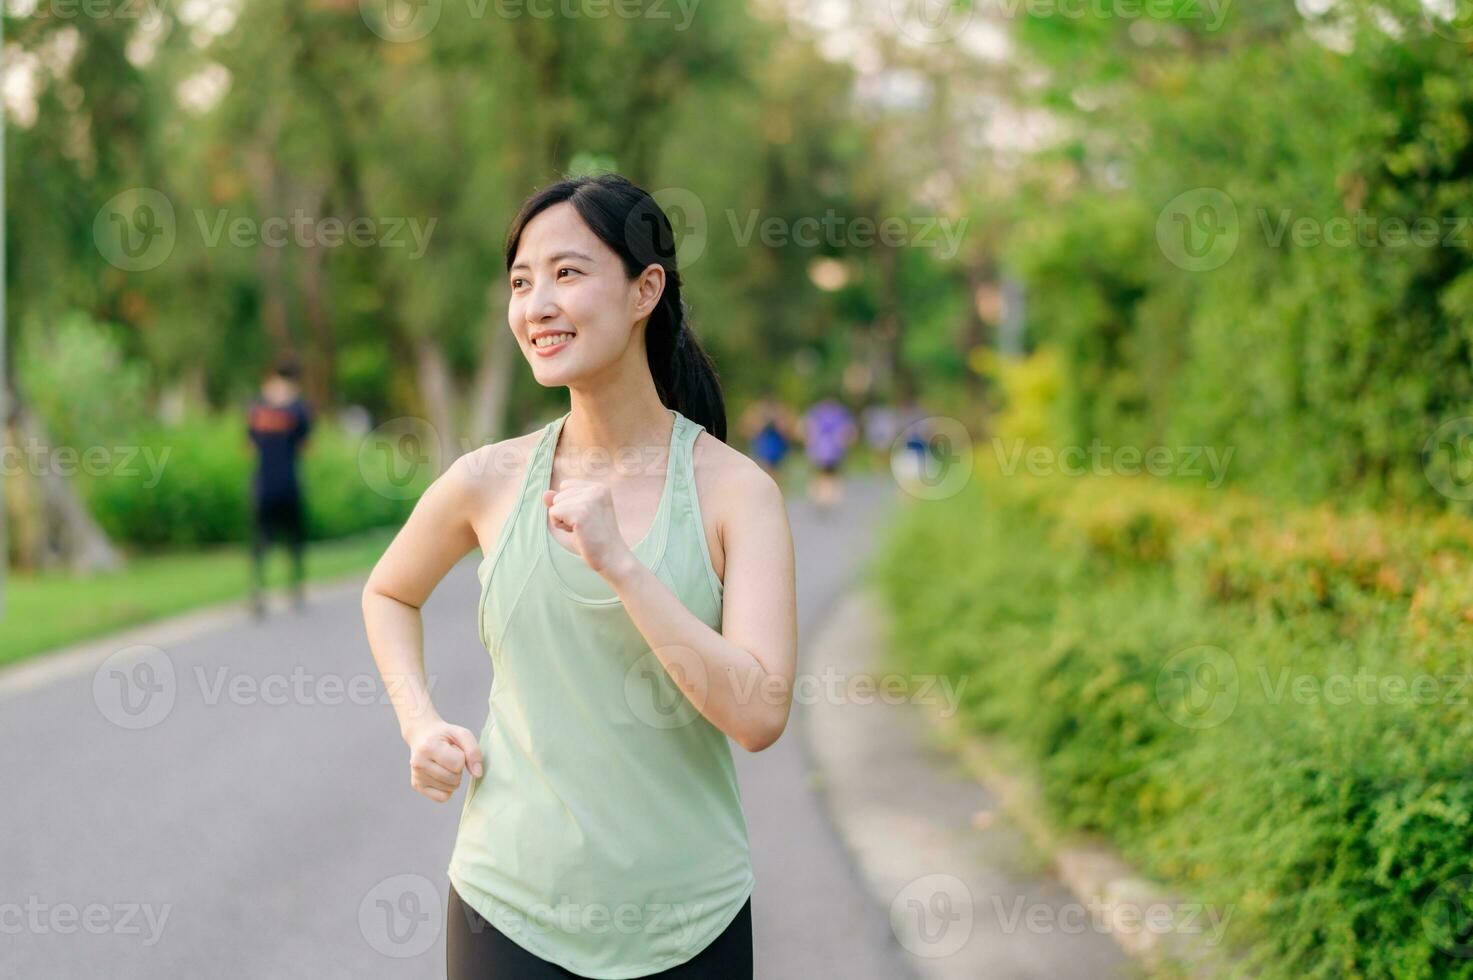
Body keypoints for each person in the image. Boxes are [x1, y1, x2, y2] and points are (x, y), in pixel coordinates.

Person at [360, 173, 798, 980]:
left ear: (644, 290)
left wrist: (623, 566)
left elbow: (758, 714)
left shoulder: (736, 492)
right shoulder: (485, 479)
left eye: (567, 273)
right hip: (509, 907)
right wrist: (418, 721)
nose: (536, 305)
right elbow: (388, 591)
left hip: (688, 921)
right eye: (521, 282)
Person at [245, 360, 312, 618]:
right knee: (293, 539)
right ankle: (295, 588)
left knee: (261, 540)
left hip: (263, 484)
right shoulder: (298, 409)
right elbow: (307, 446)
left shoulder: (256, 408)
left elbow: (248, 446)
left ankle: (258, 591)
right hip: (289, 482)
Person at [801, 396, 857, 514]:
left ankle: (821, 498)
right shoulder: (840, 413)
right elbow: (848, 431)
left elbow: (807, 429)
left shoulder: (816, 412)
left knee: (820, 474)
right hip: (833, 451)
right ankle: (827, 499)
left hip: (819, 450)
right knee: (831, 475)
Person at [738, 392, 797, 479]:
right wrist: (762, 424)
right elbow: (745, 430)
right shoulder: (755, 411)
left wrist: (778, 424)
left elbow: (791, 432)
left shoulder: (781, 411)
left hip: (778, 452)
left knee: (775, 477)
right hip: (760, 451)